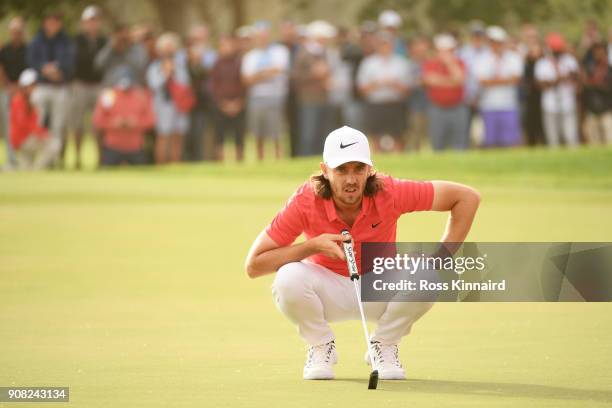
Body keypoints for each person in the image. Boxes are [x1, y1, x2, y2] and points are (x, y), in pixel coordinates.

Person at [245, 125, 480, 380]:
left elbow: (467, 198)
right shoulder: (305, 201)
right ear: (325, 170)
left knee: (428, 275)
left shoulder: (390, 192)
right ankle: (320, 345)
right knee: (288, 278)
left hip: (378, 286)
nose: (351, 179)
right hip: (325, 289)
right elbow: (254, 265)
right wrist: (311, 246)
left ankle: (384, 345)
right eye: (341, 170)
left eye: (358, 168)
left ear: (370, 169)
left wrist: (440, 258)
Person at [27, 10, 74, 167]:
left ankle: (54, 160)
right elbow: (31, 61)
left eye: (56, 21)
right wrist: (44, 69)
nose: (53, 24)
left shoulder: (66, 41)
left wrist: (57, 70)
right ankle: (33, 159)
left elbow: (70, 62)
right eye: (50, 21)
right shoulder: (37, 41)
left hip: (60, 87)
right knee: (37, 123)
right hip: (41, 86)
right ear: (45, 23)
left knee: (58, 125)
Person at [241, 22, 289, 160]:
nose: (262, 38)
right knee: (258, 134)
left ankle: (279, 161)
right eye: (259, 35)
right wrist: (267, 72)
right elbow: (247, 80)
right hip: (256, 98)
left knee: (277, 134)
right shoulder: (250, 56)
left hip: (275, 97)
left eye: (264, 35)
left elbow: (278, 70)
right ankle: (260, 162)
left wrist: (257, 75)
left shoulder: (279, 51)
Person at [357, 31, 411, 152]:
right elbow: (362, 89)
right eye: (381, 44)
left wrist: (394, 83)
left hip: (395, 104)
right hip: (376, 104)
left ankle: (399, 162)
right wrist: (377, 84)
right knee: (375, 137)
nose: (384, 47)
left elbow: (407, 90)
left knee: (398, 136)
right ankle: (378, 165)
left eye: (387, 44)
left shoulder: (401, 63)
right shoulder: (368, 63)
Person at [92, 69, 155, 166]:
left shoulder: (141, 96)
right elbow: (97, 121)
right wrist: (113, 123)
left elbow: (151, 120)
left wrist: (136, 123)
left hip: (135, 147)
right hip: (112, 147)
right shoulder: (108, 96)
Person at [292, 20, 336, 156]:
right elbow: (296, 75)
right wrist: (314, 73)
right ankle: (306, 158)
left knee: (323, 133)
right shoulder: (304, 53)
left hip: (324, 98)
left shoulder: (324, 52)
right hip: (308, 99)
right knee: (309, 133)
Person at [147, 32, 192, 164]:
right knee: (164, 136)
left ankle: (175, 163)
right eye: (166, 47)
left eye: (171, 46)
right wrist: (165, 74)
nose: (169, 49)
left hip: (179, 105)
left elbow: (185, 84)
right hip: (163, 105)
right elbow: (154, 85)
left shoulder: (180, 66)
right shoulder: (155, 67)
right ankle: (162, 164)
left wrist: (174, 72)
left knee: (178, 135)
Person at [473, 26, 523, 147]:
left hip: (509, 104)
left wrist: (494, 80)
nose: (496, 45)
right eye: (493, 42)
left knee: (510, 141)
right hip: (488, 105)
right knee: (490, 142)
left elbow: (516, 79)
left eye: (498, 42)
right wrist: (505, 80)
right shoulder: (482, 58)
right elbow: (483, 81)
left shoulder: (513, 57)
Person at [70, 5, 107, 169]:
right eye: (89, 21)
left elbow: (102, 65)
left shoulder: (104, 41)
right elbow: (81, 61)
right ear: (84, 23)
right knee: (77, 123)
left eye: (95, 21)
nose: (92, 24)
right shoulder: (77, 40)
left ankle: (100, 160)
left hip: (98, 85)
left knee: (98, 124)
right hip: (80, 84)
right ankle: (77, 159)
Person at [423, 34, 468, 151]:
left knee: (460, 143)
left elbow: (460, 80)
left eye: (448, 51)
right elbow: (430, 81)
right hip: (437, 108)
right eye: (442, 51)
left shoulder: (460, 62)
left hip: (457, 107)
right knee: (437, 142)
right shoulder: (430, 63)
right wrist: (451, 81)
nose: (445, 54)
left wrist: (450, 64)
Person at [9, 69, 60, 170]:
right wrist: (41, 133)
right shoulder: (18, 101)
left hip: (26, 139)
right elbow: (24, 124)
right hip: (22, 140)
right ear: (24, 86)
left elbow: (33, 123)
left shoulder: (31, 100)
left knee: (24, 170)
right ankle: (37, 168)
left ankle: (30, 167)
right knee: (55, 144)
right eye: (31, 85)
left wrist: (40, 132)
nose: (34, 87)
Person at [535, 33, 579, 147]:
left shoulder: (569, 60)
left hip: (567, 101)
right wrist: (558, 79)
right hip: (550, 103)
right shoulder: (542, 63)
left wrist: (559, 79)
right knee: (552, 138)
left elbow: (576, 77)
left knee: (570, 135)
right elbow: (541, 84)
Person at [182, 24, 217, 161]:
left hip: (205, 101)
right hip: (186, 101)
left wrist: (199, 61)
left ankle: (202, 159)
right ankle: (187, 160)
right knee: (187, 133)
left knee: (203, 132)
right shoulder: (182, 55)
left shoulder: (211, 55)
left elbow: (210, 73)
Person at [210, 35, 246, 161]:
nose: (226, 48)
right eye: (223, 45)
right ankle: (220, 164)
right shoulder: (216, 64)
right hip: (221, 106)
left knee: (239, 136)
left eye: (229, 45)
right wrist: (224, 104)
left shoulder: (240, 62)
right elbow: (214, 87)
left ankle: (239, 163)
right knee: (220, 137)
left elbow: (244, 84)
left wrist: (238, 102)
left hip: (238, 106)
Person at [0, 16, 28, 169]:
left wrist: (19, 88)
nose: (16, 34)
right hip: (6, 91)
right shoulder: (4, 50)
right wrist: (7, 86)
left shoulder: (28, 50)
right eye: (14, 31)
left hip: (24, 92)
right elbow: (1, 70)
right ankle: (11, 159)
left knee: (22, 125)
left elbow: (29, 71)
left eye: (19, 31)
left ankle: (24, 159)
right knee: (7, 126)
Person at [95, 23, 148, 87]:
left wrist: (125, 51)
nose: (123, 39)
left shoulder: (138, 48)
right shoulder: (109, 49)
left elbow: (141, 67)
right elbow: (98, 65)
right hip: (112, 88)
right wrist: (111, 48)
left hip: (134, 88)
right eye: (120, 37)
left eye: (125, 36)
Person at [581, 42, 612, 144]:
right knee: (594, 142)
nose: (598, 55)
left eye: (600, 52)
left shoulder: (609, 69)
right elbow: (584, 88)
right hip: (592, 110)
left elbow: (608, 87)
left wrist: (594, 84)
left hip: (607, 110)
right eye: (596, 52)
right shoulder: (589, 69)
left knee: (609, 140)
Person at [406, 35, 430, 152]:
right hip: (415, 106)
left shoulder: (432, 63)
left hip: (433, 105)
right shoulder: (407, 64)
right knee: (415, 135)